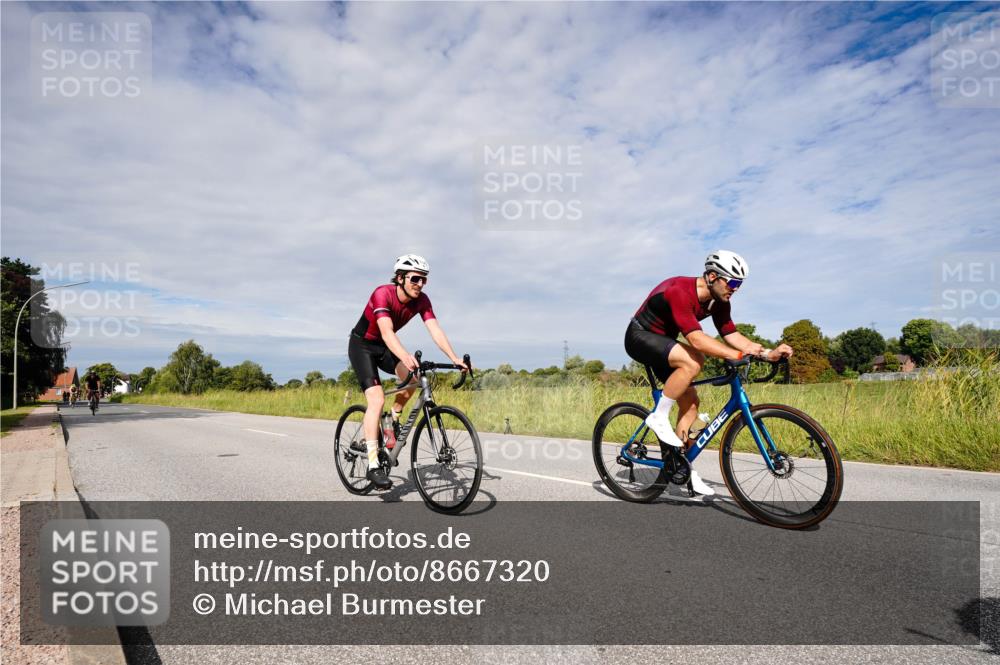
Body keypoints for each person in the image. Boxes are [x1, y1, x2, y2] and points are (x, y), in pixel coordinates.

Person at [625, 250, 793, 496]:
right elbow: (697, 340)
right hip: (640, 336)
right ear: (713, 276)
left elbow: (732, 335)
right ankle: (658, 417)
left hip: (665, 344)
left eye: (740, 284)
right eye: (733, 282)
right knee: (695, 360)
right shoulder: (679, 290)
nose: (735, 289)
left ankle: (683, 467)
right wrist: (735, 356)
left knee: (692, 404)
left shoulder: (720, 302)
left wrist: (767, 353)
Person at [348, 254, 468, 490]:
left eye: (424, 280)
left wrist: (454, 358)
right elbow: (386, 331)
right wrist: (404, 355)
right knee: (377, 399)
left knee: (412, 381)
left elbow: (435, 330)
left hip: (384, 347)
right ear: (400, 278)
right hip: (362, 346)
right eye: (415, 279)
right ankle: (373, 465)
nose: (420, 284)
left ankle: (393, 417)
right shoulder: (382, 293)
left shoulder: (422, 300)